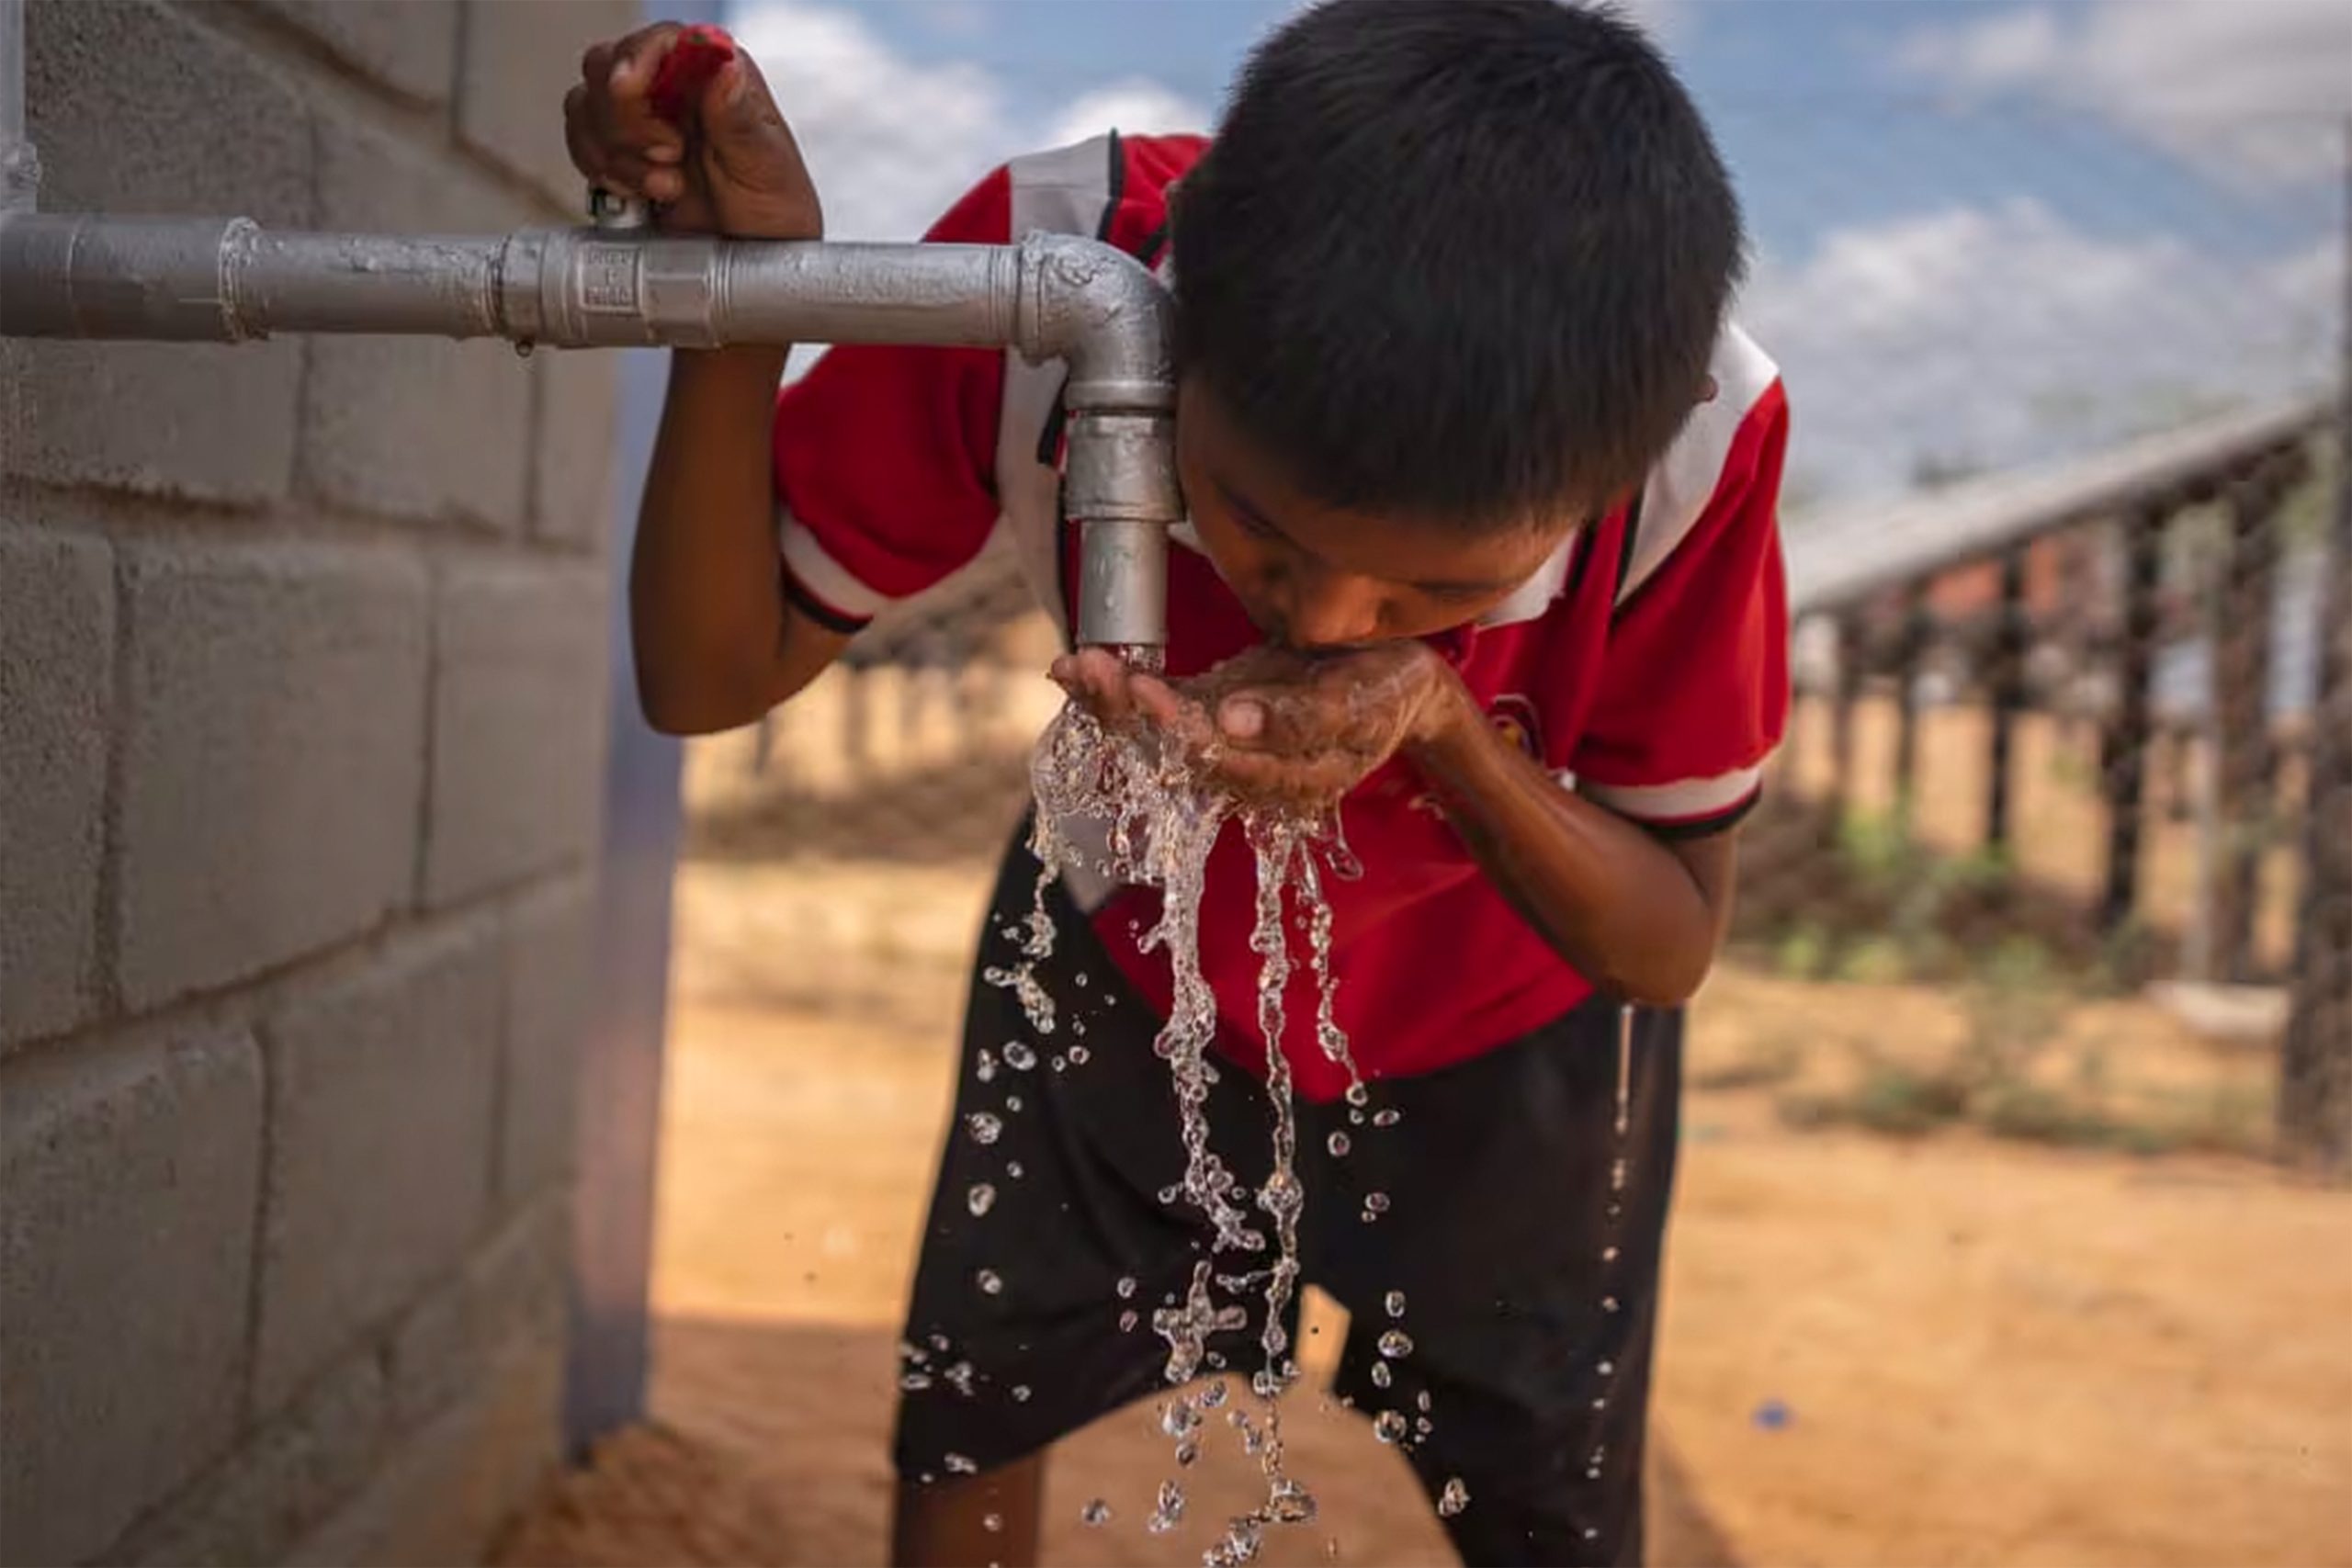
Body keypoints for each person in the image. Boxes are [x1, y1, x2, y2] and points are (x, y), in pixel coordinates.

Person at [565, 2, 1788, 1562]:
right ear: (1171, 319)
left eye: (1436, 598)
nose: (1327, 624)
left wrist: (1444, 728)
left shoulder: (1700, 435)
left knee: (1549, 1497)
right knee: (970, 1408)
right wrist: (736, 307)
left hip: (1511, 1010)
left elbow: (1668, 937)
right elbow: (706, 672)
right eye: (1260, 532)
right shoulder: (1054, 277)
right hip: (1122, 943)